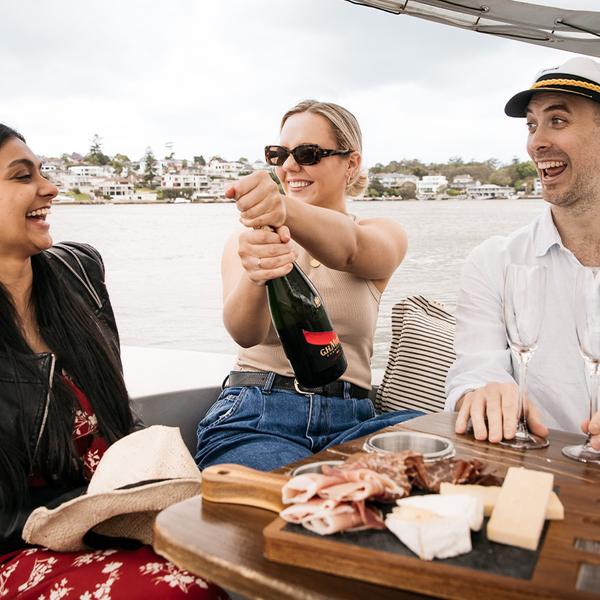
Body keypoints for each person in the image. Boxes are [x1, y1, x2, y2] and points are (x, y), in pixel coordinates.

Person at [0, 124, 227, 599]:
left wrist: (137, 501)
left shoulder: (77, 274)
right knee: (173, 590)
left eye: (43, 171)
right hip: (22, 543)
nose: (50, 188)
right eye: (22, 176)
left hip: (123, 515)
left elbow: (116, 414)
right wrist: (87, 514)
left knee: (239, 551)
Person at [195, 100, 422, 472]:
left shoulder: (382, 233)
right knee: (296, 497)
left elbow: (350, 251)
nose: (288, 166)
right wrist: (257, 273)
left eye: (307, 154)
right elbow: (245, 334)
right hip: (258, 414)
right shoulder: (249, 240)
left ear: (352, 163)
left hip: (354, 422)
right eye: (280, 154)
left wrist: (282, 208)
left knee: (450, 450)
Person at [445, 57, 600, 450]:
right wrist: (481, 392)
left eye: (558, 121)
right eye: (532, 125)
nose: (536, 142)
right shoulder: (494, 262)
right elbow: (472, 370)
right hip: (531, 475)